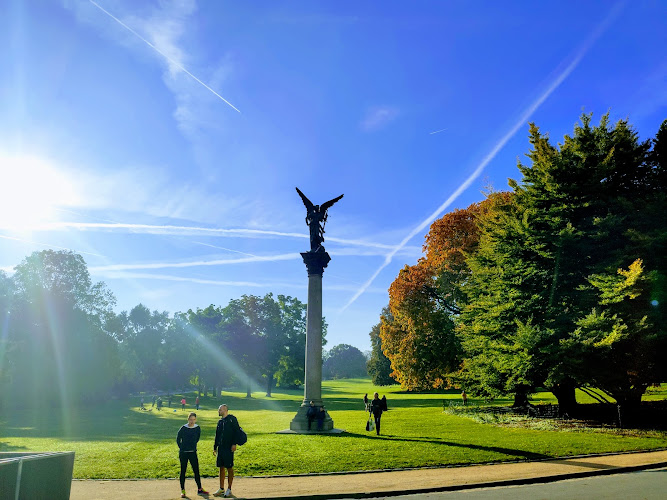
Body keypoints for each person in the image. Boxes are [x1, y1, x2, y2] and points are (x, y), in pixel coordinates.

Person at [176, 412, 208, 498]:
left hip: (193, 452)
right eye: (190, 419)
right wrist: (182, 448)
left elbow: (197, 438)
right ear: (188, 419)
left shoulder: (197, 428)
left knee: (196, 470)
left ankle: (199, 489)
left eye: (194, 419)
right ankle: (183, 490)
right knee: (183, 471)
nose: (192, 421)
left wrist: (192, 446)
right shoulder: (183, 428)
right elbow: (178, 439)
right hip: (184, 453)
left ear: (195, 419)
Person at [213, 404, 241, 497]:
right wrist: (215, 447)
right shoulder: (220, 422)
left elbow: (237, 432)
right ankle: (221, 488)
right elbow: (217, 435)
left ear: (225, 410)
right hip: (221, 447)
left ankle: (229, 489)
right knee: (221, 467)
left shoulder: (232, 419)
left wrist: (234, 444)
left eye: (220, 409)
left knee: (229, 467)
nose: (218, 411)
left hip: (229, 447)